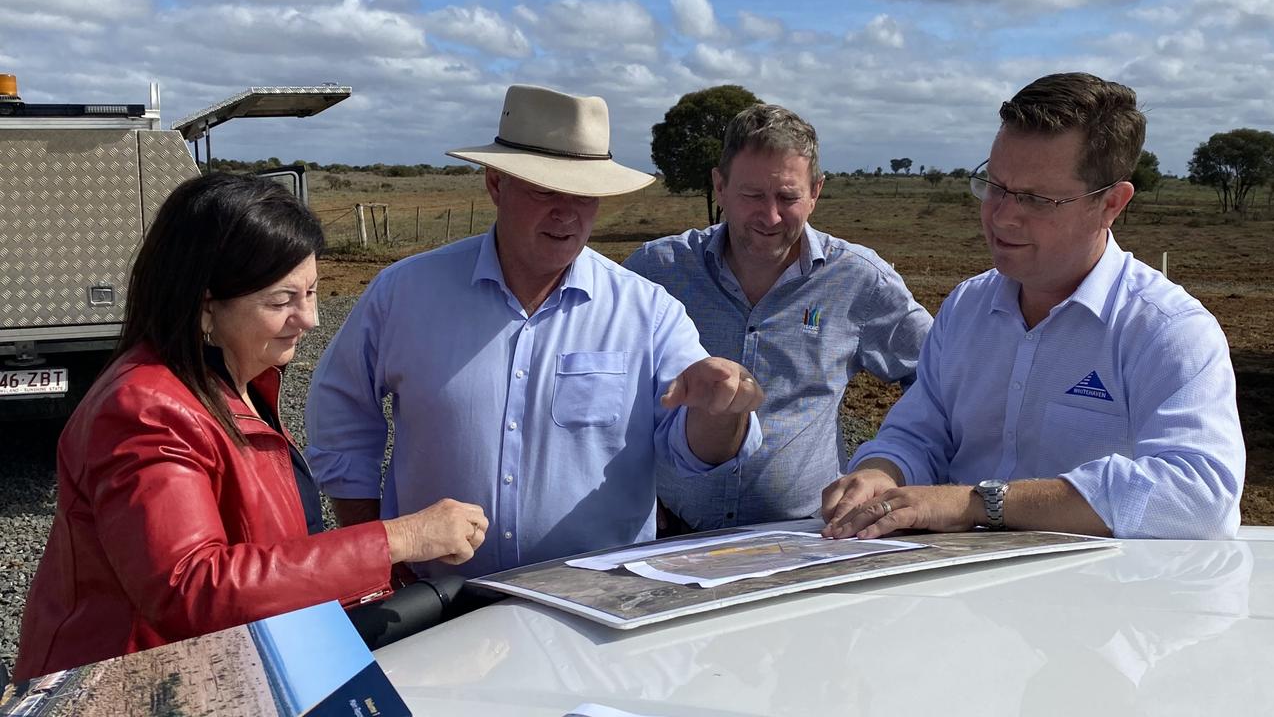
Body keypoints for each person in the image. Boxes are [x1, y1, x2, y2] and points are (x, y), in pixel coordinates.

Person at [13, 174, 488, 681]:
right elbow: (192, 587)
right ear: (205, 305)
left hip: (209, 672)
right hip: (127, 688)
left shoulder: (237, 380)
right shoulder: (145, 409)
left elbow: (266, 553)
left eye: (312, 291)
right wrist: (399, 538)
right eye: (282, 301)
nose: (309, 318)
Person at [305, 85, 763, 578]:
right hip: (433, 603)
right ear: (496, 185)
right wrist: (378, 553)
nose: (566, 212)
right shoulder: (404, 293)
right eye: (545, 189)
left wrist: (723, 410)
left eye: (585, 194)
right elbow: (342, 419)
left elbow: (693, 451)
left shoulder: (647, 311)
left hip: (593, 607)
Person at [822, 72, 1245, 541]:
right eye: (995, 186)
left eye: (1036, 199)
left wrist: (977, 503)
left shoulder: (1167, 330)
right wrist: (884, 473)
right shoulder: (966, 307)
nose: (1002, 215)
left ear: (1111, 204)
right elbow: (920, 434)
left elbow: (1200, 494)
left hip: (1101, 600)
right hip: (957, 596)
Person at [625, 104, 932, 531]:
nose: (770, 217)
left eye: (787, 197)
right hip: (670, 534)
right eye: (752, 196)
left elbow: (939, 379)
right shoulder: (658, 271)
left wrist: (888, 462)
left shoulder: (859, 280)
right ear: (720, 185)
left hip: (805, 535)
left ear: (815, 193)